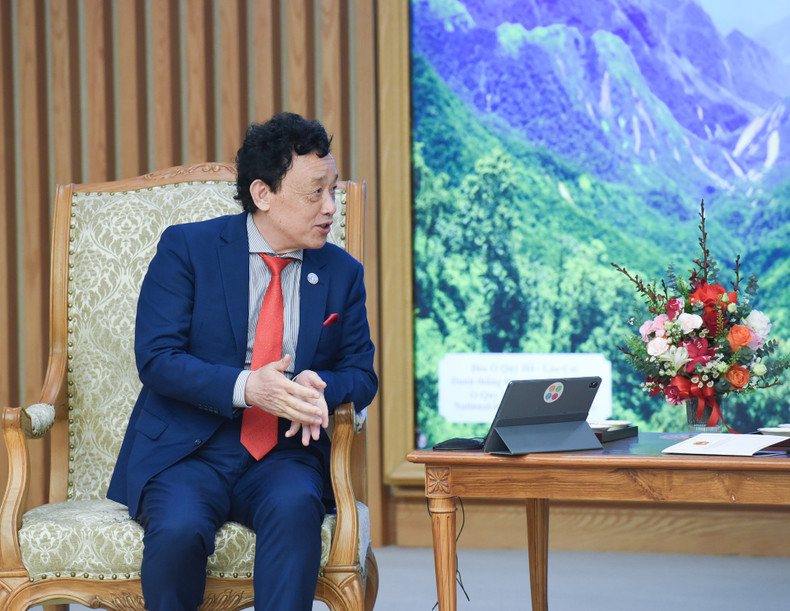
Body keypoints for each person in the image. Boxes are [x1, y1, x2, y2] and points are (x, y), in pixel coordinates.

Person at [107, 112, 378, 611]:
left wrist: (325, 386)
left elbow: (363, 374)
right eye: (315, 193)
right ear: (263, 193)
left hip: (283, 453)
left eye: (334, 191)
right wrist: (247, 387)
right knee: (179, 530)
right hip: (187, 450)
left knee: (297, 508)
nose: (331, 208)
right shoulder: (188, 249)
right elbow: (158, 359)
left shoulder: (341, 273)